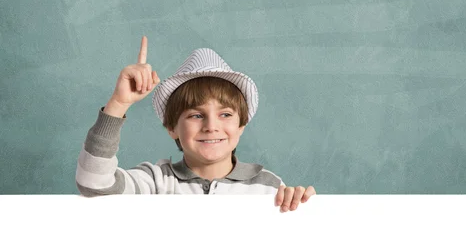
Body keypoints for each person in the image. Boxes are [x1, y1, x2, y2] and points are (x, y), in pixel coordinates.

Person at [76, 36, 316, 212]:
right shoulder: (156, 181)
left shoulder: (268, 187)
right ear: (172, 128)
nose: (211, 126)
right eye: (196, 115)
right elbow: (94, 185)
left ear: (241, 125)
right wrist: (118, 103)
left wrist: (300, 203)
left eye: (225, 115)